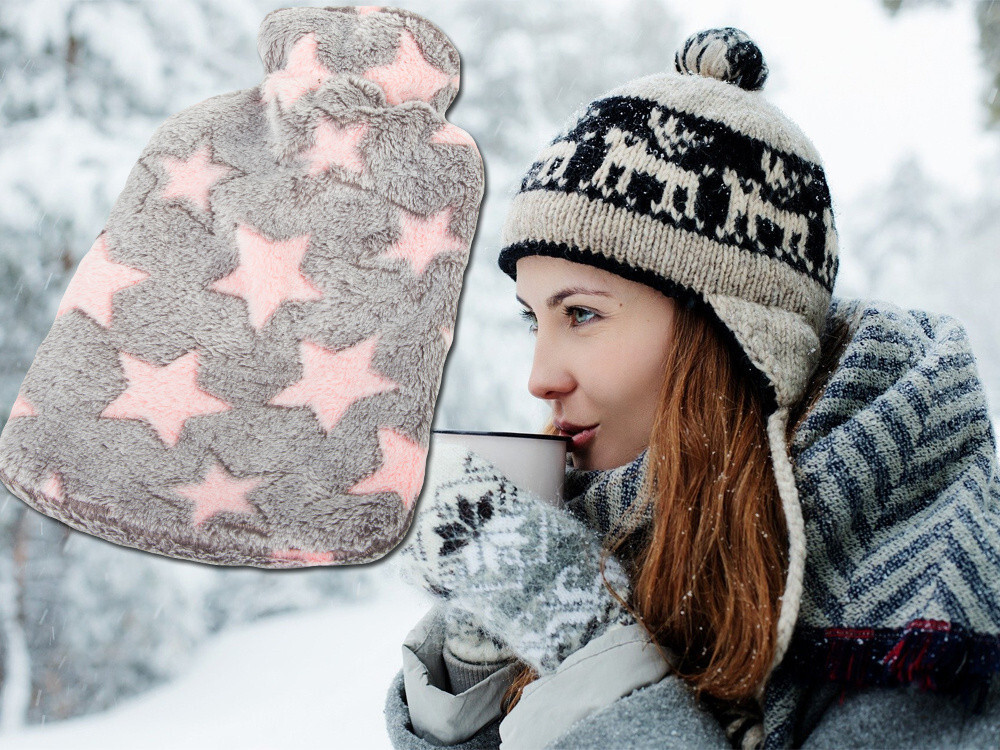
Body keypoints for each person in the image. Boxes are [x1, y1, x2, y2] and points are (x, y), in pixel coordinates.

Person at [383, 27, 1000, 749]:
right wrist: (481, 648)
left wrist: (588, 652)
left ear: (736, 335)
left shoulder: (928, 600)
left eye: (582, 313)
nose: (540, 377)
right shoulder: (619, 525)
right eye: (533, 321)